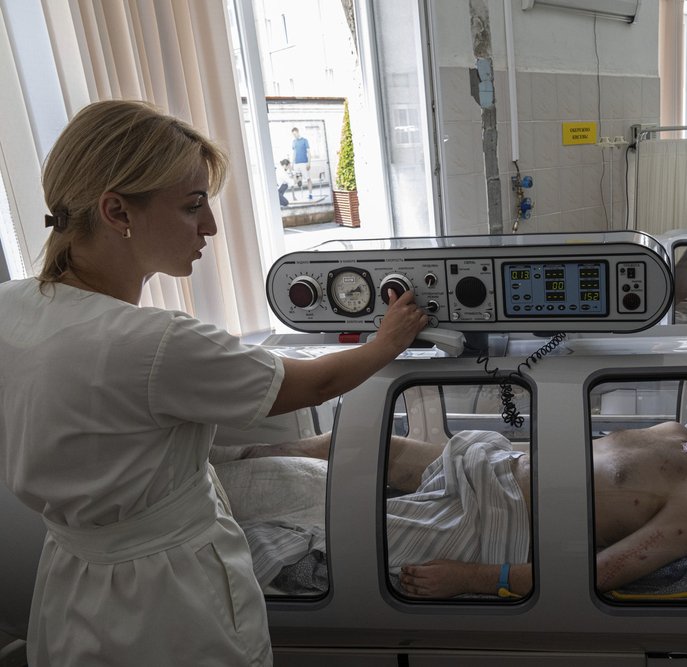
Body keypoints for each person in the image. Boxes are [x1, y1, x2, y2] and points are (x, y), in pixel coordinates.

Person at [0, 100, 427, 666]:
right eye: (192, 205)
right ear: (116, 211)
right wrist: (387, 343)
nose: (211, 226)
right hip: (167, 597)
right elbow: (314, 382)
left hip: (72, 585)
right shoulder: (152, 343)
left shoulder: (12, 305)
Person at [384, 388, 687, 598]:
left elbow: (596, 574)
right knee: (342, 448)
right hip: (490, 462)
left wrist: (468, 577)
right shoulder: (673, 431)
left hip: (491, 521)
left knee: (340, 528)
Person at [290, 127, 312, 199]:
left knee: (308, 179)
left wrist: (309, 163)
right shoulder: (294, 142)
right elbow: (294, 153)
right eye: (293, 135)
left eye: (295, 134)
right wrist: (292, 164)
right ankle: (300, 180)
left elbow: (308, 152)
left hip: (304, 163)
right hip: (296, 164)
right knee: (296, 178)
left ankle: (310, 194)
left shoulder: (305, 140)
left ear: (298, 132)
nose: (294, 136)